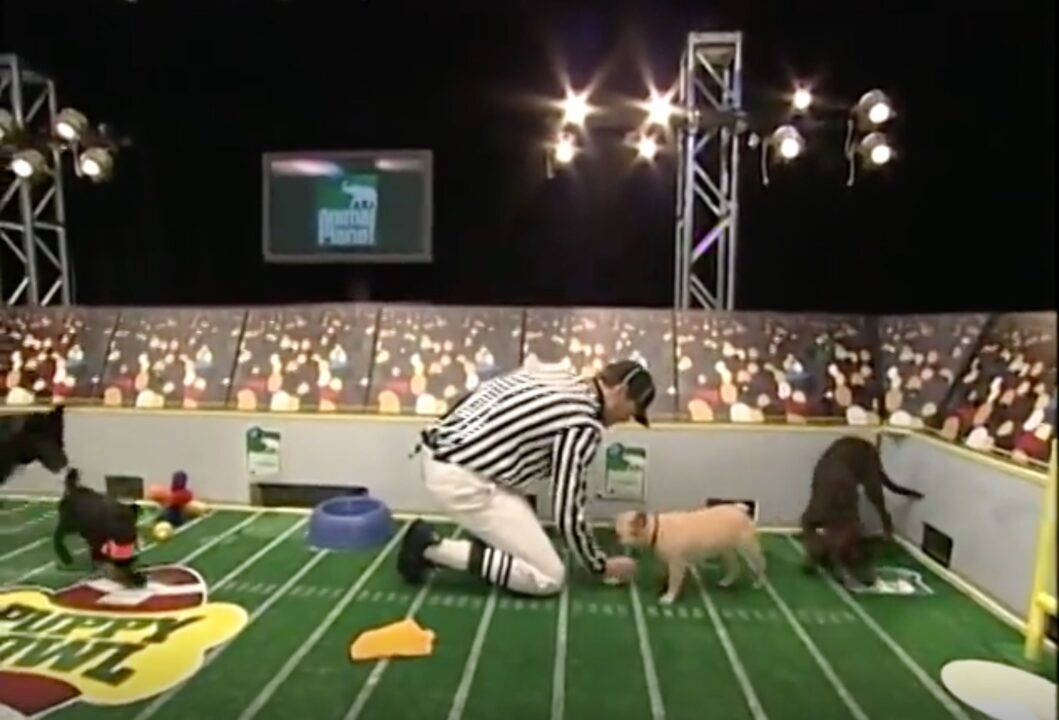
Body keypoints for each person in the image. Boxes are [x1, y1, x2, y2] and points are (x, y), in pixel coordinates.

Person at [397, 358, 656, 596]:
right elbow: (566, 510)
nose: (626, 420)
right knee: (549, 577)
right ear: (620, 392)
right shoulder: (583, 423)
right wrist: (600, 566)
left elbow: (483, 391)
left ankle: (483, 541)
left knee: (523, 515)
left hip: (441, 452)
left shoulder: (560, 373)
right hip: (463, 481)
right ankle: (430, 549)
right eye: (631, 412)